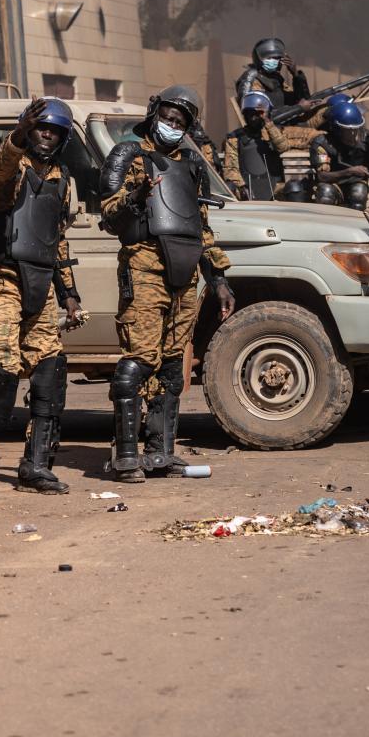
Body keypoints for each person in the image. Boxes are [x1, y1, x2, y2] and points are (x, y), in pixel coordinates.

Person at [100, 85, 235, 482]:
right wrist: (137, 195)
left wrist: (219, 277)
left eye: (181, 122)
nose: (172, 126)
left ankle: (161, 453)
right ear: (154, 113)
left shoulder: (192, 164)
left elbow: (202, 227)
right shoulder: (128, 154)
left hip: (185, 269)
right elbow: (109, 214)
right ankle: (126, 456)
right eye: (168, 117)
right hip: (144, 264)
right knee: (140, 360)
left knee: (174, 365)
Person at [0, 97, 85, 498]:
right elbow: (1, 167)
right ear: (28, 129)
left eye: (55, 130)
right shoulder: (10, 163)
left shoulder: (63, 178)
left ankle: (36, 465)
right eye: (40, 127)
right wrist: (16, 135)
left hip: (42, 281)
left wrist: (69, 293)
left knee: (51, 369)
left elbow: (56, 239)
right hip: (4, 279)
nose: (47, 135)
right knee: (5, 368)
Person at [222, 92, 298, 201]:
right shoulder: (235, 138)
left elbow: (283, 147)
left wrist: (268, 123)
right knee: (230, 188)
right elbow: (230, 169)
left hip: (274, 187)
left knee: (295, 188)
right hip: (247, 188)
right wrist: (243, 188)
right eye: (250, 114)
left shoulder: (272, 133)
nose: (253, 118)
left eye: (258, 114)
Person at [310, 100, 369, 209]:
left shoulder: (366, 138)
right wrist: (350, 171)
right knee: (325, 194)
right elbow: (322, 176)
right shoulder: (323, 143)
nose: (354, 135)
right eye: (348, 131)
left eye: (356, 129)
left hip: (357, 182)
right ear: (336, 129)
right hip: (333, 183)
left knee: (359, 194)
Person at [235, 37, 311, 109]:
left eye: (277, 58)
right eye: (269, 58)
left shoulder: (277, 79)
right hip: (274, 122)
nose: (274, 61)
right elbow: (258, 116)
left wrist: (296, 75)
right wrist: (298, 108)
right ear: (259, 59)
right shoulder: (251, 78)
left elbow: (302, 100)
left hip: (290, 119)